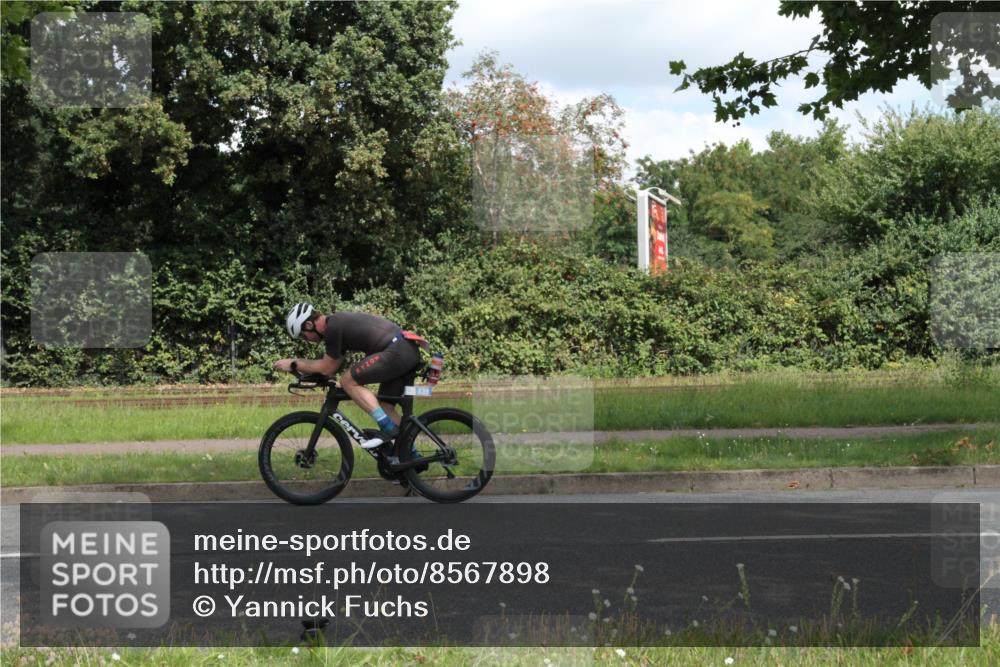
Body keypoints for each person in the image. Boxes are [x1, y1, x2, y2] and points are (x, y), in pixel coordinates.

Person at [273, 302, 424, 449]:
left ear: (308, 325)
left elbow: (326, 368)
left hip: (396, 350)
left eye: (303, 336)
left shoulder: (332, 327)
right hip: (403, 349)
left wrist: (294, 363)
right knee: (385, 407)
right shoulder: (336, 324)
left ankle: (388, 428)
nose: (307, 340)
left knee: (348, 381)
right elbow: (333, 365)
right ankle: (411, 457)